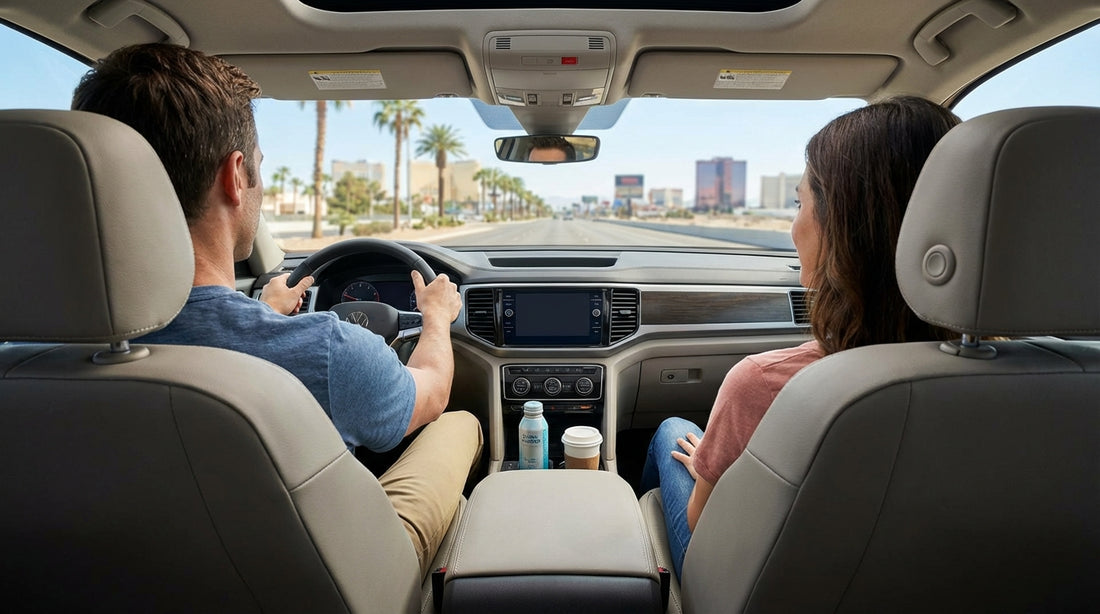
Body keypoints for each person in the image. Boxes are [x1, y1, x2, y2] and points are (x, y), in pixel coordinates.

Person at [71, 43, 482, 576]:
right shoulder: (326, 351)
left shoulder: (23, 358)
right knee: (462, 423)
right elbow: (431, 389)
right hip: (325, 584)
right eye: (259, 170)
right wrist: (435, 319)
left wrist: (253, 310)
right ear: (235, 176)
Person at [639, 96, 961, 579]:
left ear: (844, 231)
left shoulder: (764, 382)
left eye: (799, 203)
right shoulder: (1054, 384)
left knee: (671, 434)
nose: (793, 226)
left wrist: (713, 466)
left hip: (762, 590)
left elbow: (702, 522)